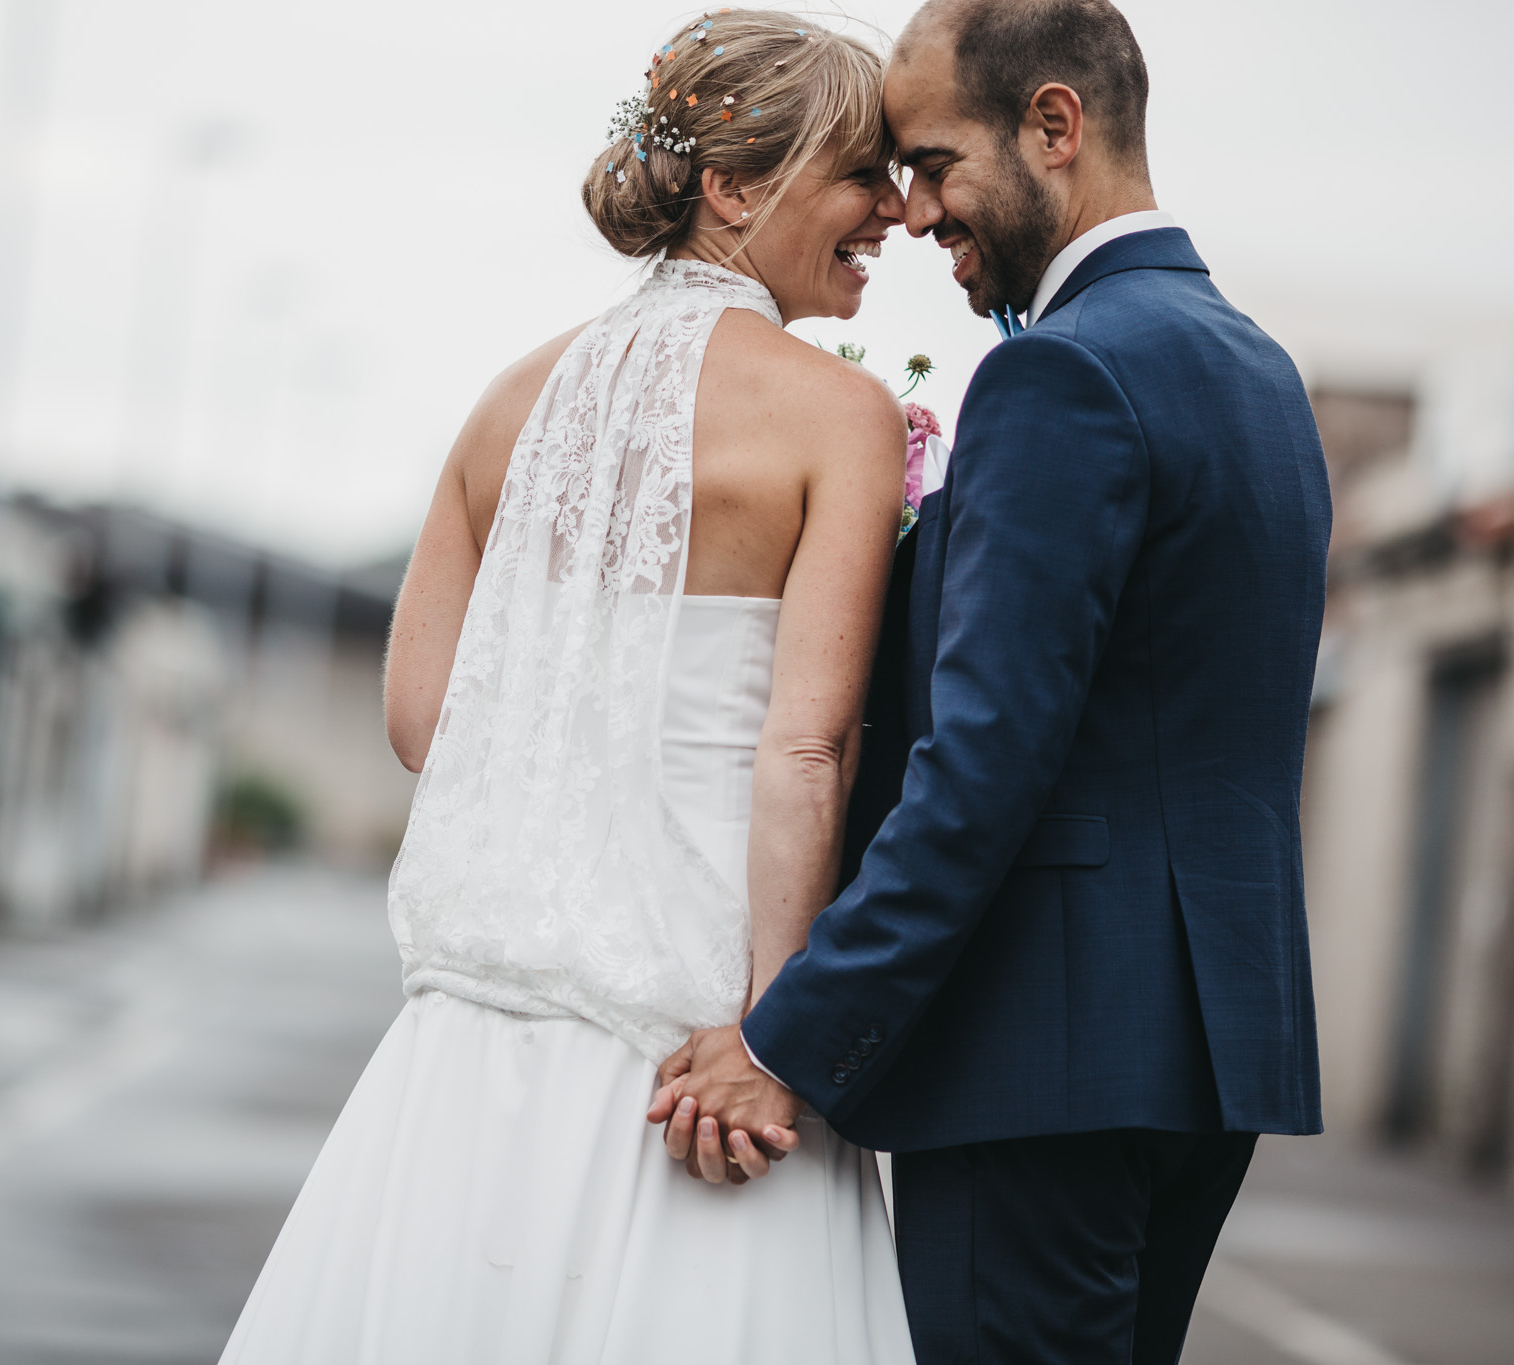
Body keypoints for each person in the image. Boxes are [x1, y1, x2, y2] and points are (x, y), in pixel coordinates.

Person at [219, 11, 918, 1363]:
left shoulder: (505, 404)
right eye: (861, 170)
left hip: (470, 1043)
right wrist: (774, 1041)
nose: (889, 207)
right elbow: (803, 755)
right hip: (694, 1043)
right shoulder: (835, 415)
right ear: (731, 185)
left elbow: (425, 720)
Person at [655, 2, 1333, 1362]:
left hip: (1045, 1058)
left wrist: (789, 1036)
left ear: (1055, 127)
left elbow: (980, 768)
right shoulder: (1259, 372)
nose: (912, 212)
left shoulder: (1061, 374)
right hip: (1214, 1058)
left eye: (933, 162)